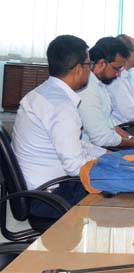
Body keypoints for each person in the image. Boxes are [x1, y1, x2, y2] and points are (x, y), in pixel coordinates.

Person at [11, 35, 107, 218]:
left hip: (37, 191)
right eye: (89, 64)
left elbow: (72, 144)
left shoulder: (41, 94)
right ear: (79, 68)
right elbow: (75, 167)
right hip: (50, 199)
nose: (90, 69)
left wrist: (106, 154)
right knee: (118, 195)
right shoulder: (61, 107)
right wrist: (113, 165)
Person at [78, 37, 134, 149]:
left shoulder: (100, 85)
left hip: (102, 147)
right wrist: (133, 143)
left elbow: (110, 125)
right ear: (101, 64)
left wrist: (132, 139)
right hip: (91, 152)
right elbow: (101, 138)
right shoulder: (87, 89)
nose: (118, 74)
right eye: (117, 68)